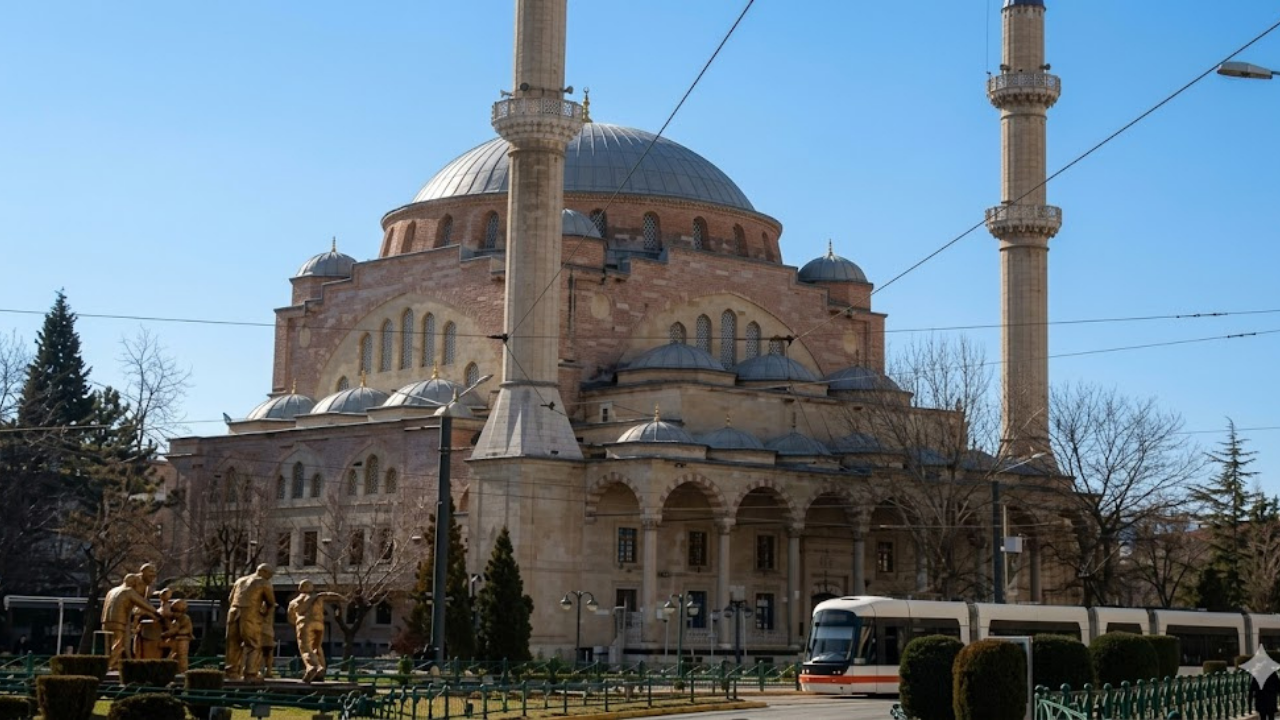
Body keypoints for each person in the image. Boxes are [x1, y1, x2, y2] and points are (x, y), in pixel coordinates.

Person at [225, 564, 276, 681]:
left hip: (233, 611)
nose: (270, 578)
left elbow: (230, 598)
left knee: (232, 643)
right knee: (254, 643)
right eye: (270, 575)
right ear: (263, 572)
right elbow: (271, 602)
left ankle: (231, 672)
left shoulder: (240, 580)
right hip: (249, 612)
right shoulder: (263, 582)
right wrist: (264, 614)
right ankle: (251, 673)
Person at [287, 580, 344, 683]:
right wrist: (342, 598)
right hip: (319, 624)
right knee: (317, 647)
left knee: (305, 648)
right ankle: (321, 670)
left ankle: (312, 667)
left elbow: (291, 618)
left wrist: (298, 622)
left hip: (304, 623)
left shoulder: (294, 602)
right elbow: (329, 595)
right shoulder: (317, 597)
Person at [102, 573, 160, 670]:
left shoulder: (112, 591)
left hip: (106, 621)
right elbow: (143, 604)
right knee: (118, 644)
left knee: (108, 646)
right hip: (119, 621)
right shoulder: (128, 591)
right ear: (133, 583)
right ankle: (111, 665)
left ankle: (110, 664)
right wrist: (156, 613)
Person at [161, 599, 194, 673]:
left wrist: (164, 634)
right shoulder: (175, 620)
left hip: (183, 640)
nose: (175, 614)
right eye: (174, 611)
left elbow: (175, 630)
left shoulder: (184, 618)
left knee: (182, 657)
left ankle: (183, 671)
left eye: (177, 612)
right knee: (173, 655)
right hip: (176, 639)